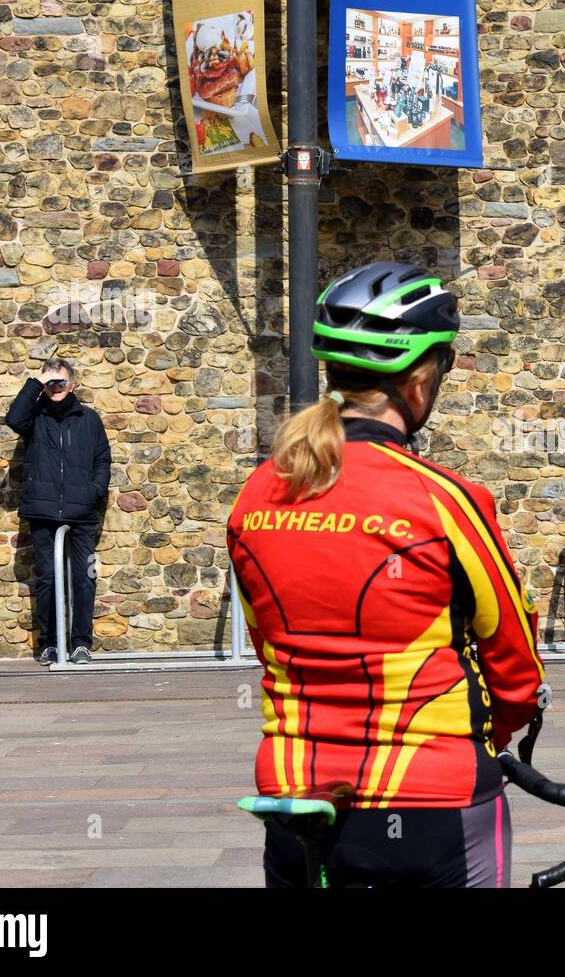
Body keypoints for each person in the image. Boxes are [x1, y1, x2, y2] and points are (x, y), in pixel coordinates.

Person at [227, 262, 545, 888]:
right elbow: (514, 662)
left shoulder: (259, 494)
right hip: (432, 796)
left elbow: (270, 644)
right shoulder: (445, 498)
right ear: (421, 382)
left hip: (297, 793)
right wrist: (497, 732)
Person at [5, 359, 111, 665]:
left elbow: (103, 459)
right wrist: (37, 382)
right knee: (48, 579)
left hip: (82, 515)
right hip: (43, 512)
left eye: (60, 382)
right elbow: (13, 419)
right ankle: (50, 643)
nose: (55, 388)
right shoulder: (35, 418)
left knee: (84, 578)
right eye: (50, 383)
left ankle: (80, 643)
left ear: (73, 384)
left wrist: (94, 492)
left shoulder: (89, 420)